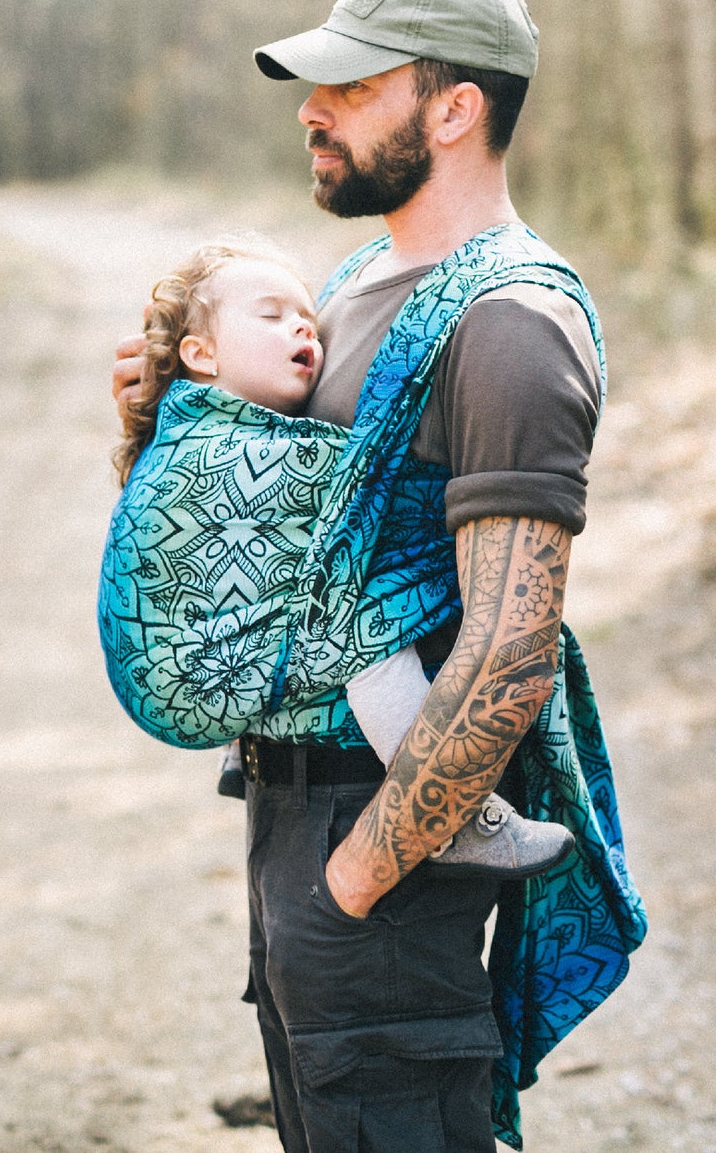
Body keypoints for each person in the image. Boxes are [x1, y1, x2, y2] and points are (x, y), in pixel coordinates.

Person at [108, 0, 646, 1152]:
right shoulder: (353, 285)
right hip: (296, 818)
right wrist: (167, 426)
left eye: (351, 85)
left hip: (380, 841)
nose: (313, 108)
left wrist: (355, 876)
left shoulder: (507, 323)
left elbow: (508, 647)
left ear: (453, 109)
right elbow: (277, 531)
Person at [101, 236, 574, 879]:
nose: (303, 327)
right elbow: (373, 480)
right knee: (367, 623)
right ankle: (452, 816)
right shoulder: (228, 449)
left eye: (308, 320)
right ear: (200, 353)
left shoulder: (202, 426)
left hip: (216, 687)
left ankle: (249, 741)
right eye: (271, 316)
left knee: (302, 582)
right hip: (191, 673)